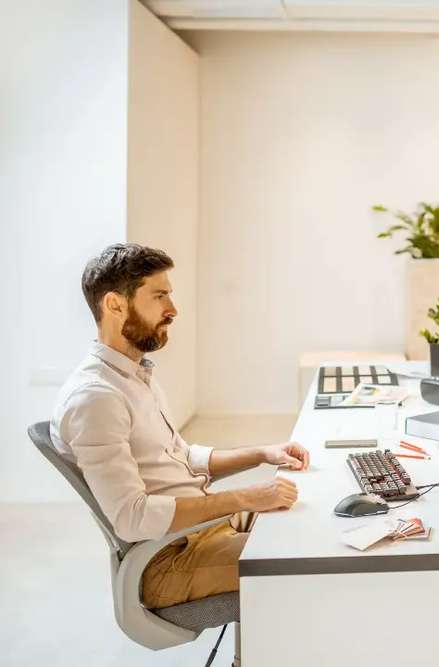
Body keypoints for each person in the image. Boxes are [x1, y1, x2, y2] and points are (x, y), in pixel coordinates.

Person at [51, 243, 307, 611]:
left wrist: (263, 453)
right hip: (170, 561)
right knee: (307, 562)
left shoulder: (133, 375)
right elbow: (132, 518)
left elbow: (182, 458)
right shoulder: (96, 399)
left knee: (316, 523)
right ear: (115, 305)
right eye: (159, 297)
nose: (173, 309)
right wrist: (246, 497)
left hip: (203, 531)